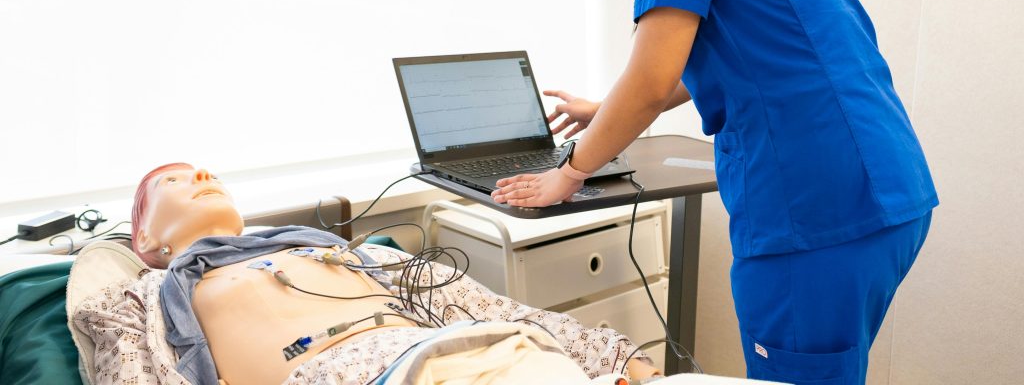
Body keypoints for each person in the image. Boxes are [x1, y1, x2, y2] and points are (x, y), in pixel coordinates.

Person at [491, 0, 938, 385]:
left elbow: (651, 79)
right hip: (886, 190)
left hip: (814, 206)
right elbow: (727, 58)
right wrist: (606, 108)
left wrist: (569, 173)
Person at [71, 163, 660, 385]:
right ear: (144, 238)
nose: (201, 175)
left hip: (486, 353)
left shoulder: (353, 255)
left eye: (207, 173)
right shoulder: (137, 297)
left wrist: (609, 354)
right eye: (174, 180)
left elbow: (489, 309)